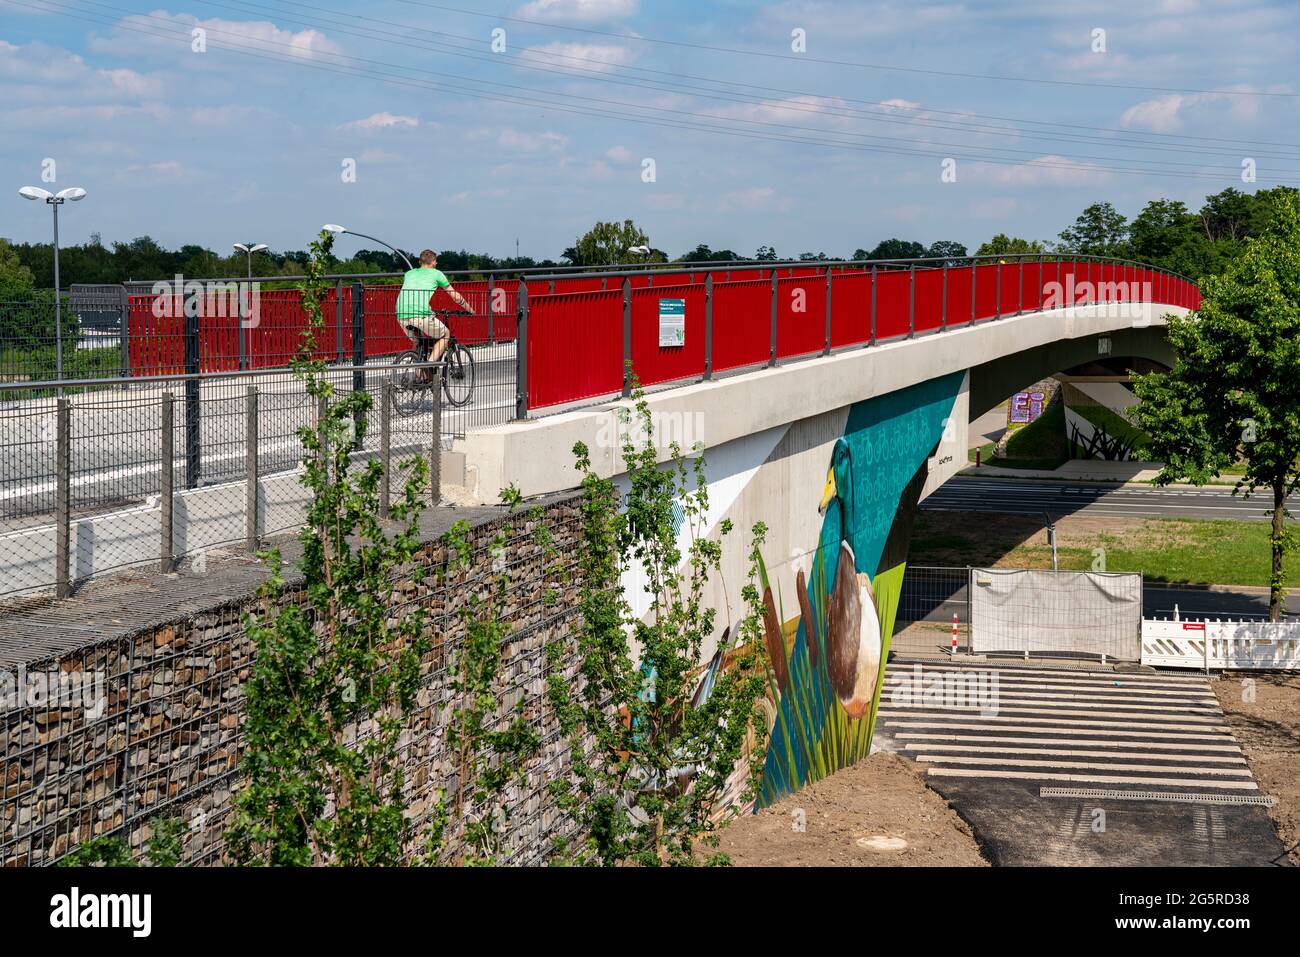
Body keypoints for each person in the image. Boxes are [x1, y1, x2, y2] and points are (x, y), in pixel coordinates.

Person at [396, 249, 473, 381]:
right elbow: (454, 296)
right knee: (445, 334)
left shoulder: (409, 273)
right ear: (433, 262)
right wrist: (469, 308)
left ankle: (418, 376)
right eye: (436, 261)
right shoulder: (437, 274)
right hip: (420, 315)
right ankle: (429, 365)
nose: (436, 264)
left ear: (420, 262)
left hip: (401, 314)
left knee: (418, 341)